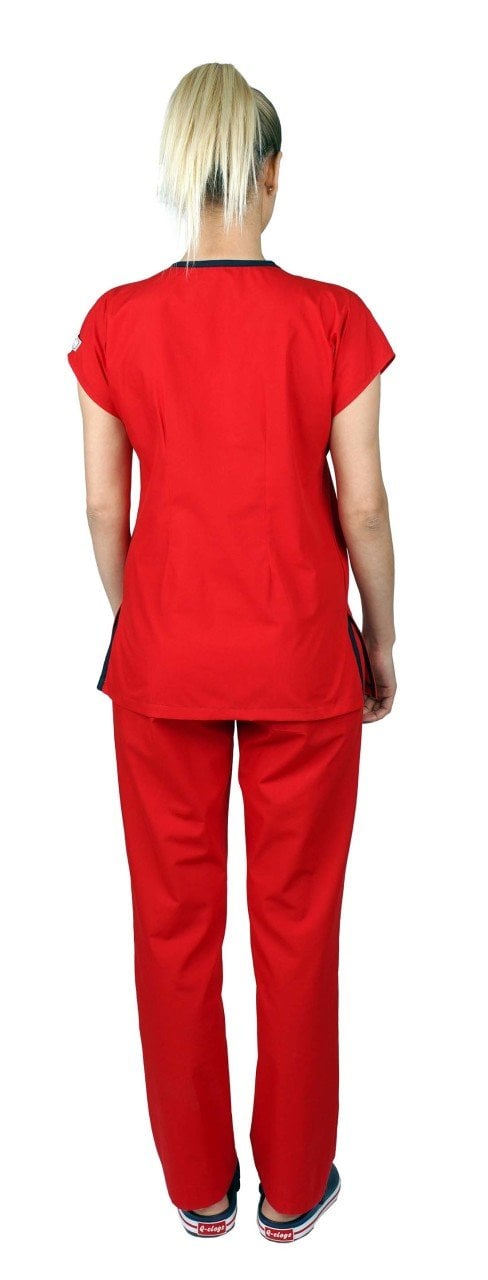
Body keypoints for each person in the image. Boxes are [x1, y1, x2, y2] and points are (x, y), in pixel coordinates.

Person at [67, 61, 397, 1244]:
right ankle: (294, 1188)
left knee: (171, 926)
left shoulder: (115, 321)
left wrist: (144, 615)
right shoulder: (331, 318)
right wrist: (380, 637)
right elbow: (361, 506)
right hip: (303, 657)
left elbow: (102, 507)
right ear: (270, 174)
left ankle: (198, 1186)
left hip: (161, 665)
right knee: (296, 927)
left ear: (181, 172)